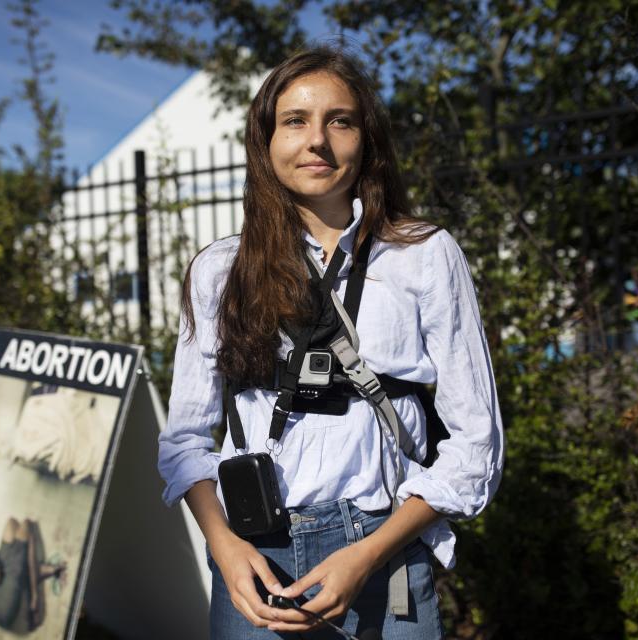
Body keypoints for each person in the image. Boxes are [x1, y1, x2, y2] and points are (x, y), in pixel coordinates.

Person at [158, 46, 504, 639]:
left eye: (338, 120)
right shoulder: (218, 270)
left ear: (365, 139)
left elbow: (476, 443)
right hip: (254, 555)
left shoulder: (422, 254)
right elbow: (185, 439)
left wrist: (365, 556)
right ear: (265, 141)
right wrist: (224, 547)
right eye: (295, 121)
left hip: (385, 551)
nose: (317, 140)